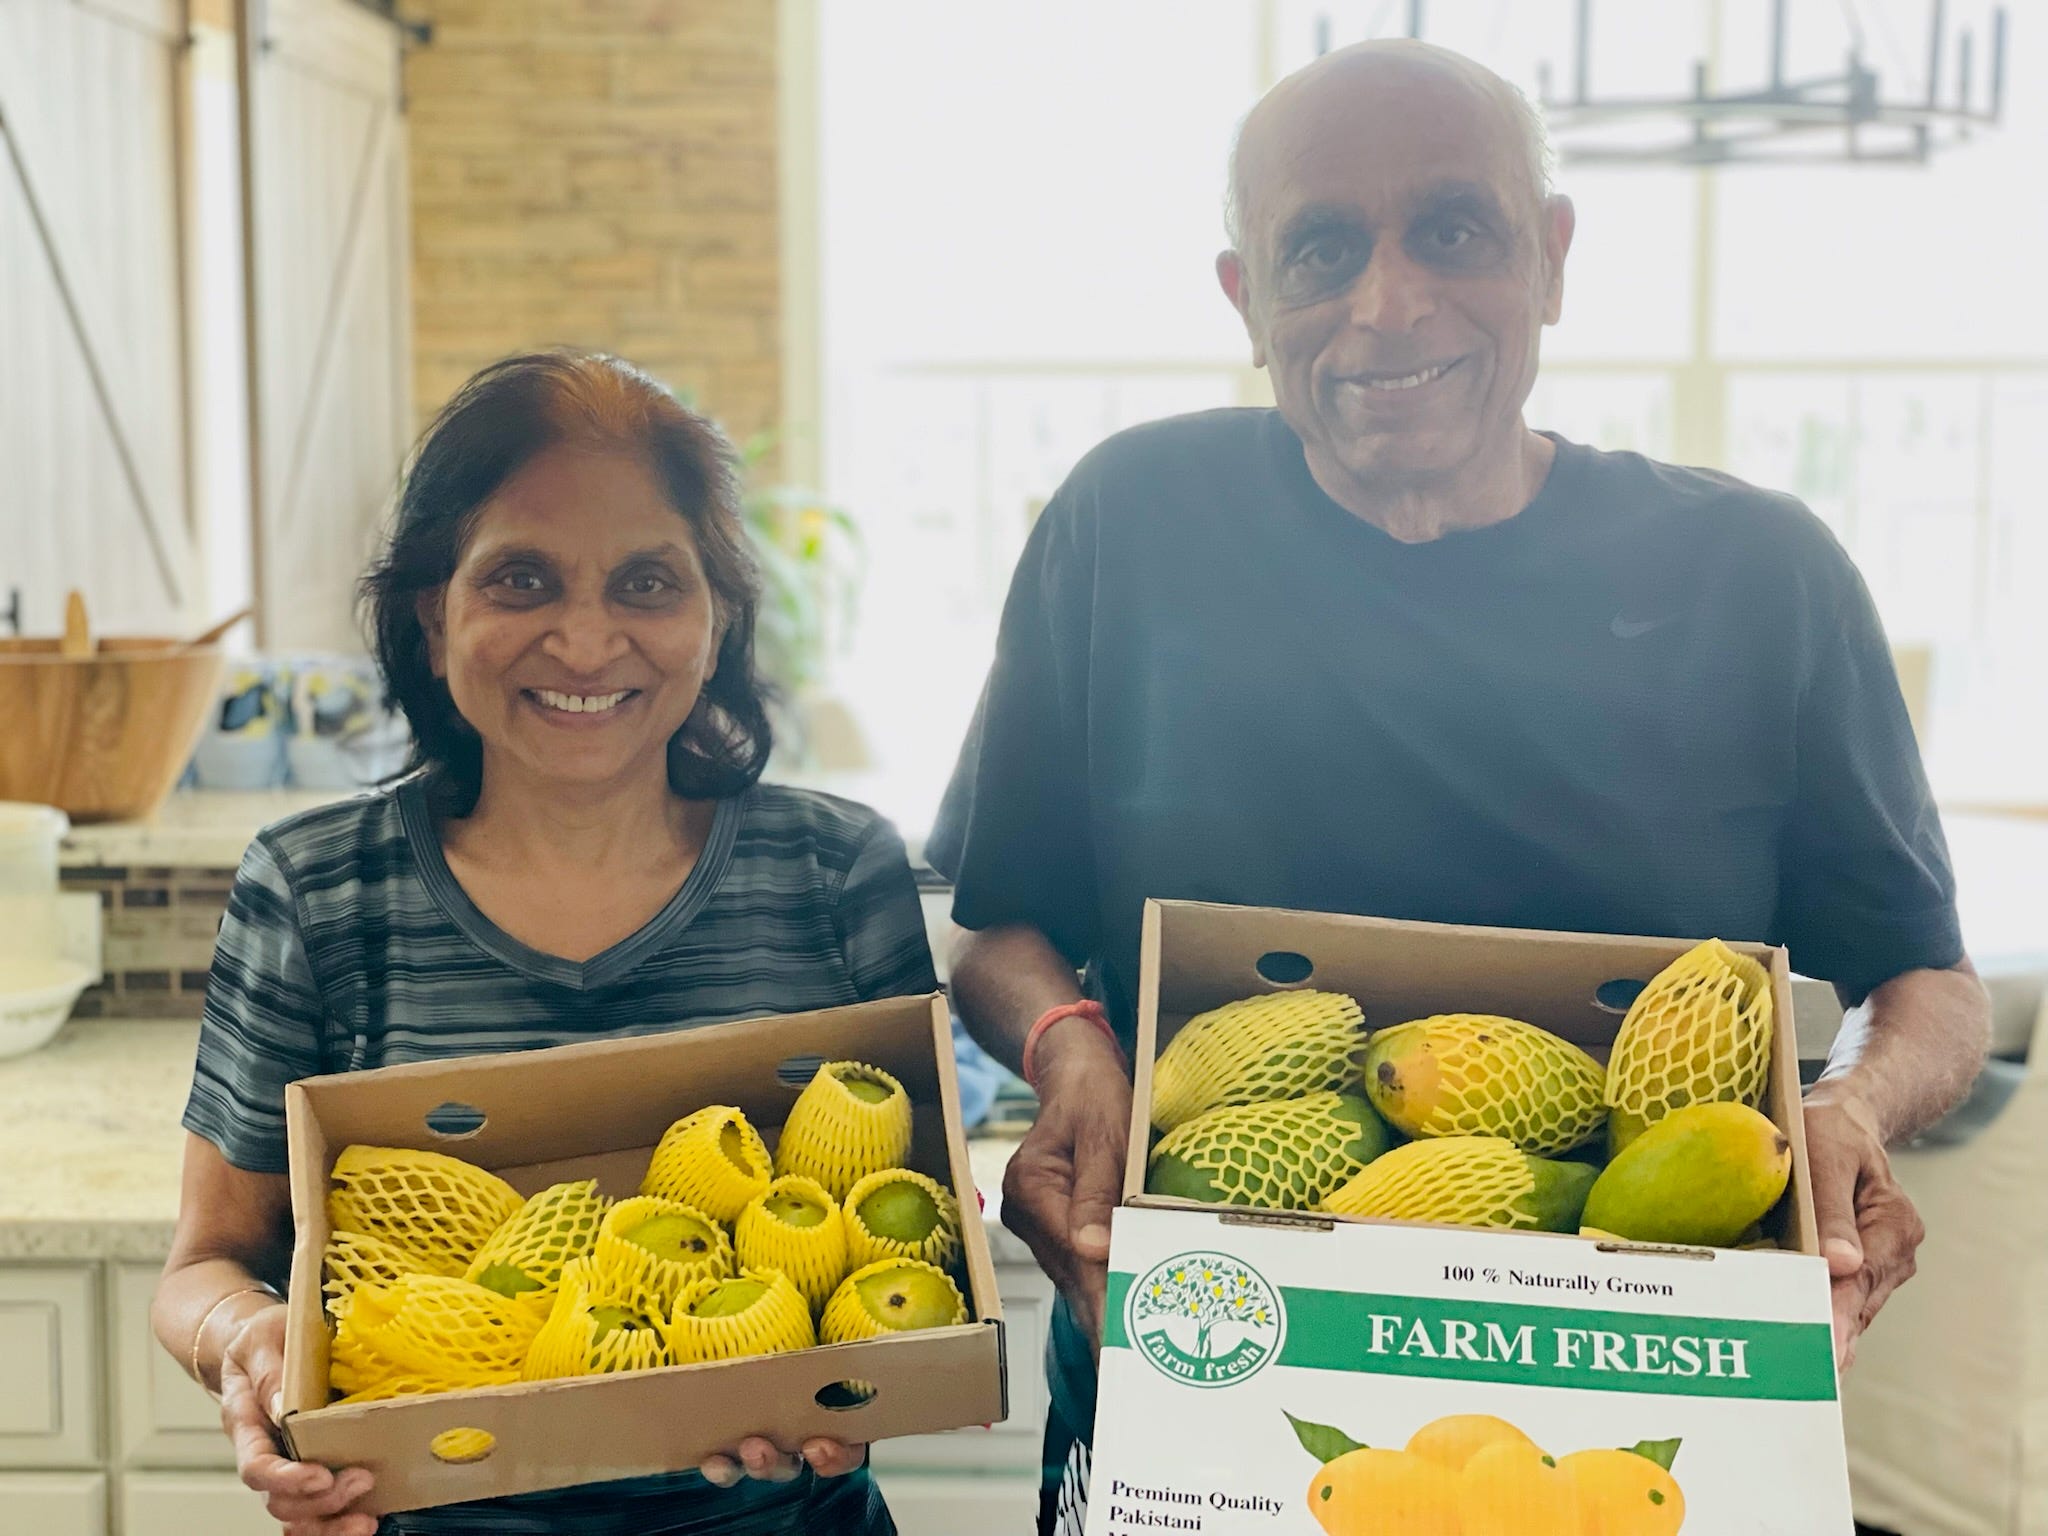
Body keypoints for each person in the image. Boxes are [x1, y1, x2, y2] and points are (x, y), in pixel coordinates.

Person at [926, 39, 1993, 1536]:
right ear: (1246, 301)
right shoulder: (1133, 525)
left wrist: (1854, 1106)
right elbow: (997, 924)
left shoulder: (1755, 576)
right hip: (1208, 1373)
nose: (1388, 302)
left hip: (1628, 1410)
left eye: (1452, 228)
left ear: (1550, 259)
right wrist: (1068, 1056)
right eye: (1321, 249)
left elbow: (1931, 980)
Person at [151, 350, 933, 1536]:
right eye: (521, 579)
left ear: (714, 619)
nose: (583, 641)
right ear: (432, 612)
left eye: (646, 584)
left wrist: (864, 1383)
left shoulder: (835, 876)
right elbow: (206, 1264)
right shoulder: (314, 891)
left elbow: (911, 1235)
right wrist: (249, 1343)